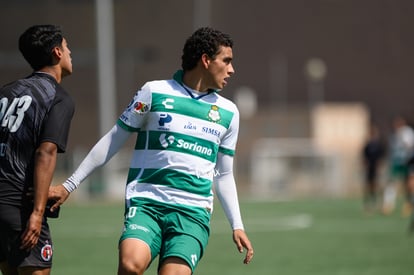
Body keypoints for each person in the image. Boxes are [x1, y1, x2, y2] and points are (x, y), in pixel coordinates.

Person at [49, 27, 254, 274]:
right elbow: (114, 138)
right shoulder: (154, 92)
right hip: (147, 203)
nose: (232, 70)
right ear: (206, 60)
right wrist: (69, 184)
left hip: (193, 213)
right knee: (130, 264)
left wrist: (237, 225)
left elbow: (223, 174)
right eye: (227, 61)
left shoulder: (229, 112)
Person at [0, 25, 75, 275]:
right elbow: (46, 152)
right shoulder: (58, 97)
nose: (70, 52)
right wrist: (37, 213)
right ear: (56, 52)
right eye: (66, 47)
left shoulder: (6, 92)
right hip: (18, 207)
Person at [382, 115, 414, 216]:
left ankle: (409, 203)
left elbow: (409, 146)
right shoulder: (393, 134)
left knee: (408, 184)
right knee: (392, 182)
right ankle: (388, 204)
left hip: (407, 161)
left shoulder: (407, 132)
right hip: (396, 161)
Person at [361, 123, 385, 213]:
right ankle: (368, 203)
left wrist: (380, 166)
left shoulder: (379, 145)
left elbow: (381, 157)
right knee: (368, 186)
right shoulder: (367, 146)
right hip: (369, 169)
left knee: (376, 186)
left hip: (376, 169)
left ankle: (378, 202)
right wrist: (364, 165)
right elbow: (364, 157)